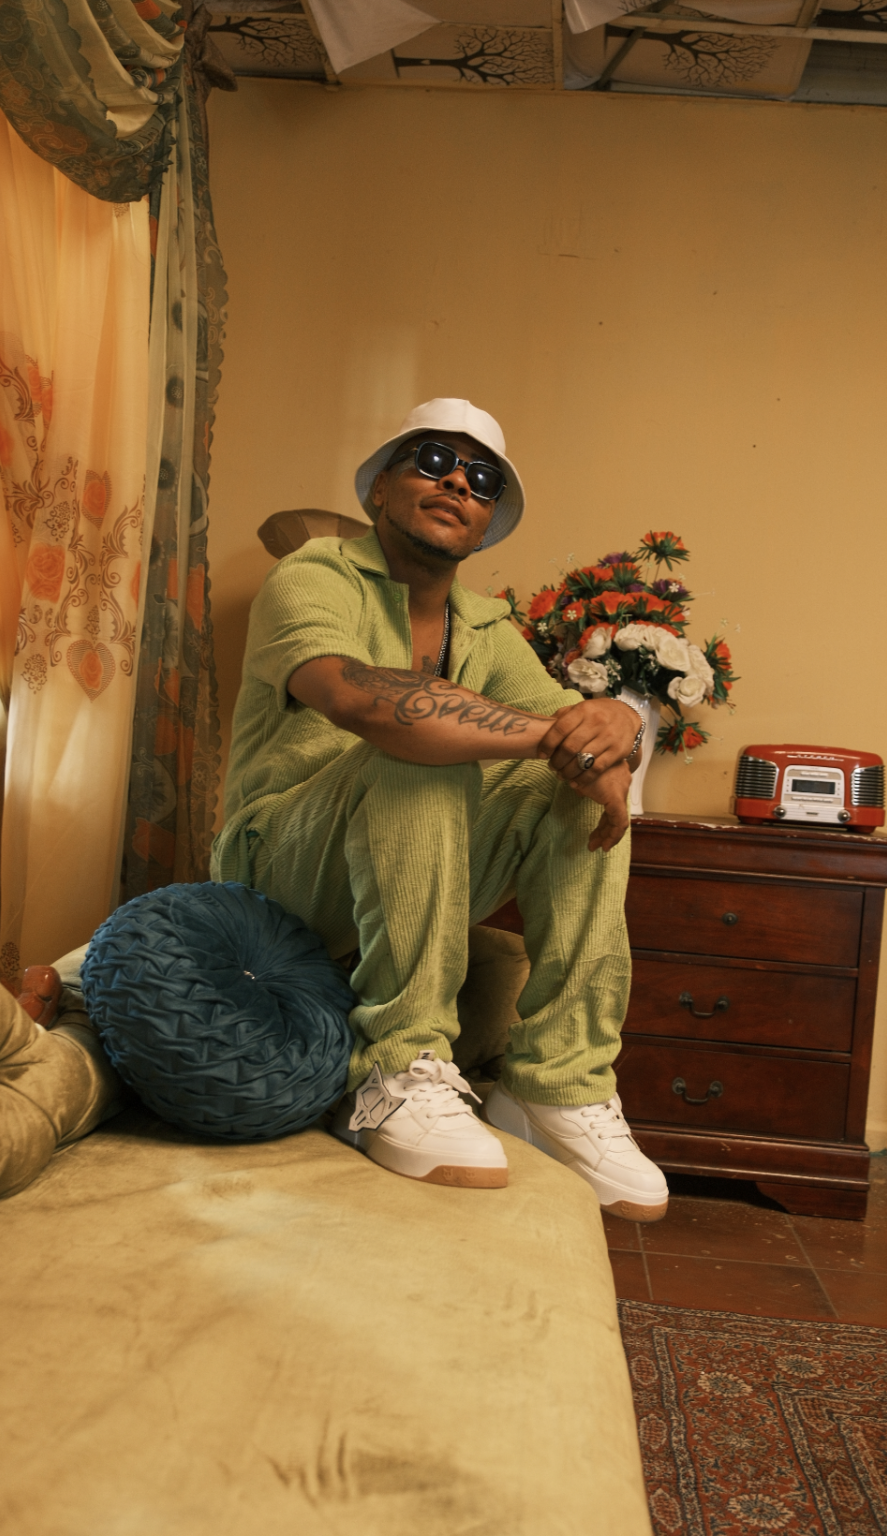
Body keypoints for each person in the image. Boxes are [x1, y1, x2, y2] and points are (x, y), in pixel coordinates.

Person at [212, 399, 669, 1222]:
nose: (458, 481)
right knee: (417, 747)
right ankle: (398, 1068)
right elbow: (361, 701)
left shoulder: (486, 627)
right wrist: (559, 734)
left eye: (481, 479)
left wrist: (615, 727)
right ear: (379, 488)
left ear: (487, 521)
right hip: (276, 871)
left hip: (397, 861)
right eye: (431, 460)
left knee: (569, 792)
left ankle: (556, 1085)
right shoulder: (314, 573)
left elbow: (577, 735)